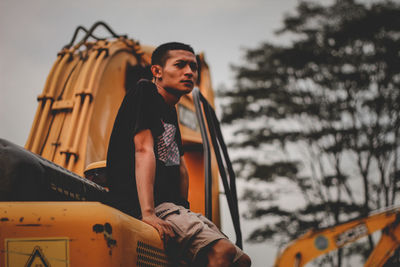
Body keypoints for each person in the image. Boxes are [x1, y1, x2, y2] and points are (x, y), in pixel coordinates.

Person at [106, 42, 251, 267]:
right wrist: (148, 213)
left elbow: (180, 166)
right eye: (180, 65)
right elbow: (143, 149)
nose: (189, 72)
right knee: (222, 251)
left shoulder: (170, 111)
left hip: (172, 208)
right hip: (146, 205)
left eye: (193, 67)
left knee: (242, 261)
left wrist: (185, 210)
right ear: (157, 71)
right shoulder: (144, 92)